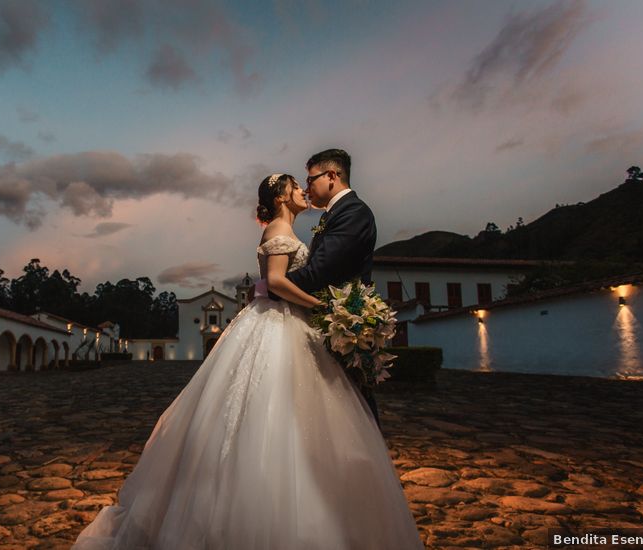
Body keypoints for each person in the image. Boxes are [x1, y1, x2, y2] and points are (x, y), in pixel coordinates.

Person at [71, 171, 422, 549]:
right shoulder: (277, 230)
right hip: (276, 324)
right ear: (281, 197)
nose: (303, 191)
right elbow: (276, 282)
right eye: (295, 187)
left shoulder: (284, 230)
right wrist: (324, 306)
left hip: (284, 321)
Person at [275, 148, 382, 425]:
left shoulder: (353, 213)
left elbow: (320, 271)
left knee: (355, 406)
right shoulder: (332, 215)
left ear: (332, 175)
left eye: (311, 179)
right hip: (330, 320)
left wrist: (274, 285)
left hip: (346, 322)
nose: (307, 187)